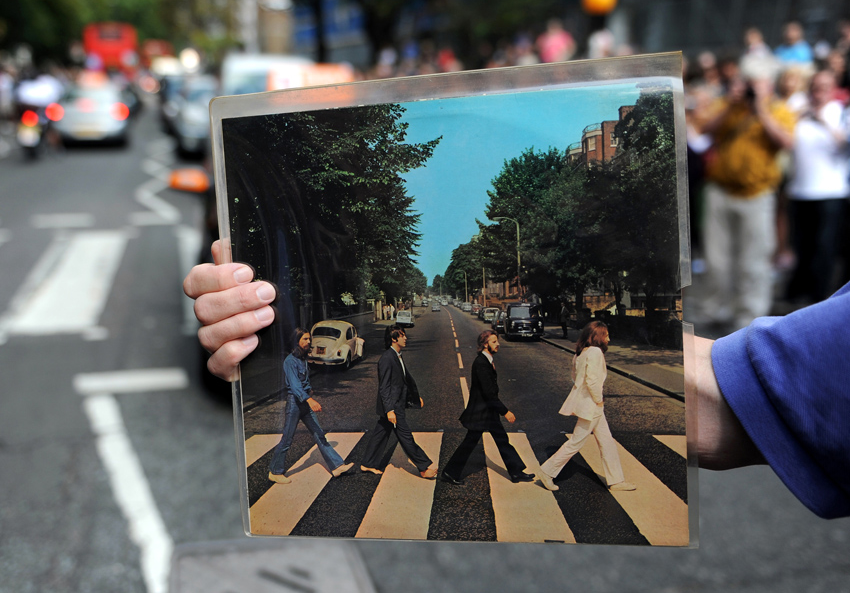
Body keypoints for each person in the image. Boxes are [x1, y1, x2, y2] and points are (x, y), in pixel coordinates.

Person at [183, 241, 850, 519]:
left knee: (501, 443)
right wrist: (256, 341)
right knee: (483, 441)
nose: (495, 336)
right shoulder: (464, 353)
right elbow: (742, 399)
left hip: (508, 412)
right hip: (490, 411)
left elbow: (739, 399)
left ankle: (514, 465)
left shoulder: (483, 352)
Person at [698, 65, 796, 330]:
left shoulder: (779, 110)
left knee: (754, 260)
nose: (752, 88)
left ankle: (749, 316)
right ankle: (715, 309)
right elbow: (705, 128)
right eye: (749, 82)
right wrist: (731, 105)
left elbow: (786, 142)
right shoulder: (729, 105)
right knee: (717, 259)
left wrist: (761, 109)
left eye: (758, 83)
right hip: (720, 191)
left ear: (769, 85)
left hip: (757, 194)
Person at [536, 321, 635, 493]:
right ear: (598, 337)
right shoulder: (596, 352)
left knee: (607, 442)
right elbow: (592, 381)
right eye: (606, 335)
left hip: (589, 404)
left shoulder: (580, 353)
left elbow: (575, 378)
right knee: (576, 442)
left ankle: (616, 480)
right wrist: (598, 400)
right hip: (592, 405)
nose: (609, 339)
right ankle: (547, 471)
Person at [785, 70, 849, 303]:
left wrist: (821, 119)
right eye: (815, 86)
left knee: (825, 249)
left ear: (833, 88)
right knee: (802, 248)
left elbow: (842, 142)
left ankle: (820, 296)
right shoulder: (799, 112)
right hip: (800, 191)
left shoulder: (840, 112)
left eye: (824, 87)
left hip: (830, 192)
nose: (819, 91)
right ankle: (798, 295)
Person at [440, 330, 535, 486]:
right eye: (493, 342)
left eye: (497, 341)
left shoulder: (487, 361)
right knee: (470, 442)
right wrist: (505, 412)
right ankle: (450, 472)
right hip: (481, 413)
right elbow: (489, 393)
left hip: (488, 412)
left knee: (502, 440)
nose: (497, 344)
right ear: (485, 344)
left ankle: (516, 472)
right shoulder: (481, 363)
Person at [267, 328, 354, 484]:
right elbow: (294, 386)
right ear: (296, 341)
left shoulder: (302, 358)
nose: (309, 342)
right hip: (295, 403)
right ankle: (275, 471)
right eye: (305, 339)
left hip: (304, 401)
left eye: (309, 339)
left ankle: (337, 466)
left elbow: (303, 381)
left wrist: (310, 389)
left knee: (319, 434)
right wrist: (310, 399)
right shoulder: (290, 361)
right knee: (287, 439)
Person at [359, 324, 437, 479]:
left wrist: (415, 398)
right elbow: (384, 387)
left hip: (396, 403)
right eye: (402, 335)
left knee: (380, 433)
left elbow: (403, 382)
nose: (405, 338)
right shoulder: (387, 358)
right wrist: (389, 410)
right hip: (393, 406)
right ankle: (423, 466)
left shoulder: (397, 356)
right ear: (394, 339)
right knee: (406, 436)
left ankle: (367, 463)